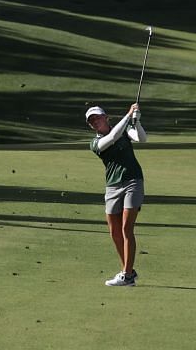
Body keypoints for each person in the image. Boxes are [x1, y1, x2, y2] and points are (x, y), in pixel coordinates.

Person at [85, 101, 146, 286]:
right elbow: (111, 138)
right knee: (114, 231)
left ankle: (127, 275)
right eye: (91, 121)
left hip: (133, 181)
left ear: (106, 117)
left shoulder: (125, 130)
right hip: (112, 186)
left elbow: (141, 139)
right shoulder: (95, 143)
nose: (95, 122)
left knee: (127, 228)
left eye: (97, 117)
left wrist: (137, 122)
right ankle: (127, 271)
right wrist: (128, 116)